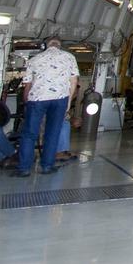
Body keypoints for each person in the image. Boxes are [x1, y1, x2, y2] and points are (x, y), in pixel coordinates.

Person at [16, 37, 79, 177]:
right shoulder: (69, 57)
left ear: (46, 46)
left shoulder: (34, 59)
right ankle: (47, 166)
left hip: (37, 98)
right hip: (59, 99)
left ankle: (24, 168)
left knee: (29, 134)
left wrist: (26, 101)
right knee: (52, 133)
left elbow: (27, 84)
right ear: (60, 46)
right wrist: (68, 102)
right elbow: (74, 81)